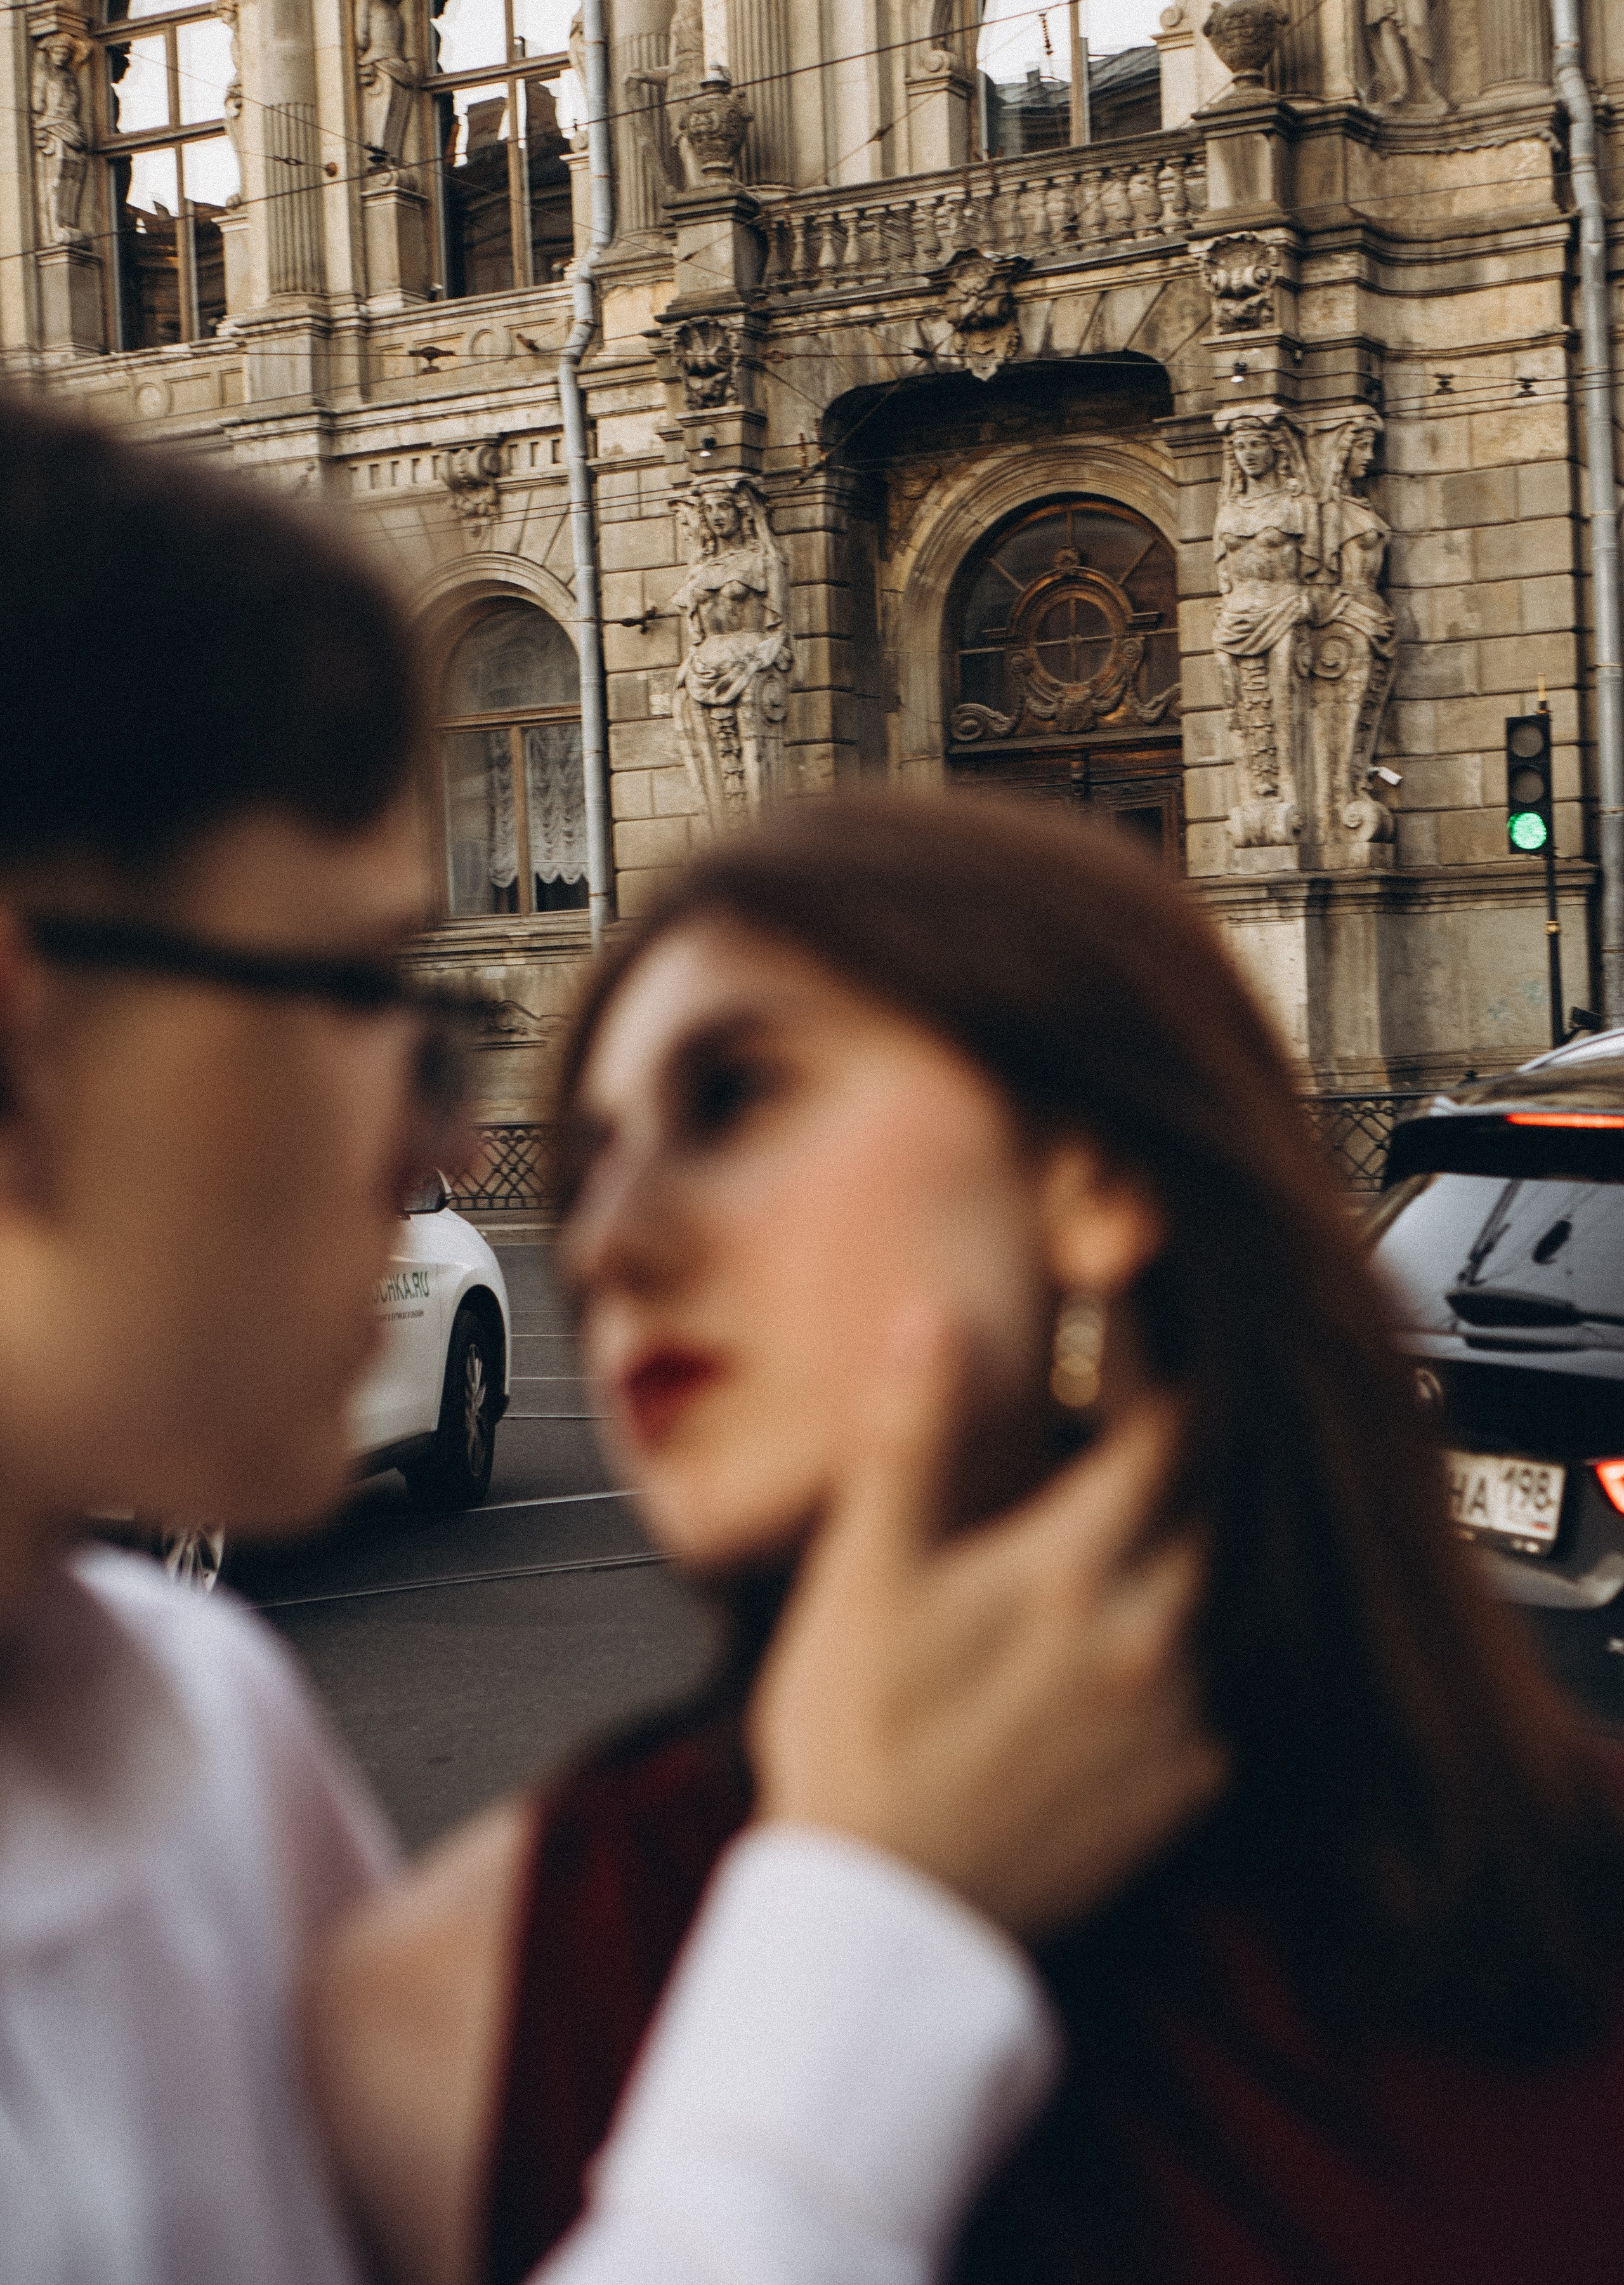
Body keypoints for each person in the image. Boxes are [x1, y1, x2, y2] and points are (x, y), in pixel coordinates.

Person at [0, 392, 1219, 2285]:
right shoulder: (485, 1963)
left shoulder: (207, 1737)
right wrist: (865, 1952)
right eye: (354, 991)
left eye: (738, 1101)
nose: (447, 1153)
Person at [316, 791, 1624, 2285]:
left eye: (734, 1096)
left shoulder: (1560, 1910)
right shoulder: (449, 2005)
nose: (610, 1243)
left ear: (1091, 1182)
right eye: (593, 1153)